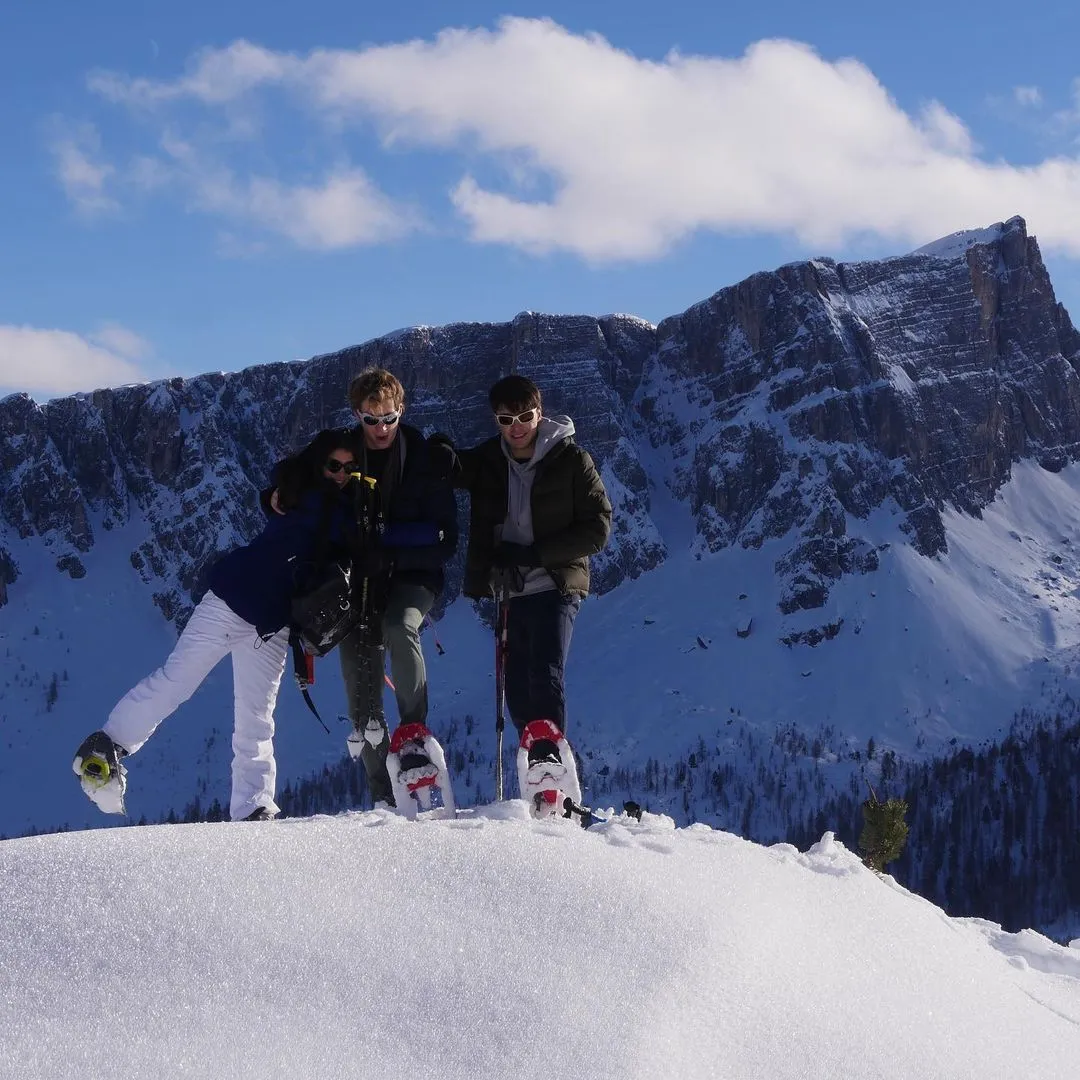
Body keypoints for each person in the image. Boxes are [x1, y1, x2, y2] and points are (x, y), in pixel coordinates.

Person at [73, 431, 360, 822]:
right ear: (319, 464)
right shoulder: (306, 494)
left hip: (273, 626)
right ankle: (106, 745)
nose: (341, 473)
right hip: (231, 602)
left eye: (350, 467)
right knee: (178, 680)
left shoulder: (315, 497)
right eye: (334, 465)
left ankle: (253, 806)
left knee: (257, 718)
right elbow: (296, 504)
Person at [268, 367, 458, 808]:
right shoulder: (343, 453)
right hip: (358, 582)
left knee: (399, 627)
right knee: (358, 679)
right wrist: (275, 494)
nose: (381, 428)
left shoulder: (425, 458)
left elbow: (444, 534)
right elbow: (300, 472)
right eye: (371, 420)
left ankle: (413, 735)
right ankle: (383, 794)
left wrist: (385, 540)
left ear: (401, 411)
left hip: (412, 576)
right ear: (358, 415)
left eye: (389, 418)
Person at [430, 374, 611, 747]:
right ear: (495, 420)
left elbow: (597, 527)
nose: (516, 428)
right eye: (505, 420)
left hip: (556, 580)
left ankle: (549, 757)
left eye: (525, 417)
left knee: (545, 670)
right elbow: (454, 469)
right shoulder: (490, 460)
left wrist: (534, 554)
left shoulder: (573, 460)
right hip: (510, 587)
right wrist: (440, 448)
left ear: (540, 414)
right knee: (515, 687)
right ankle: (537, 768)